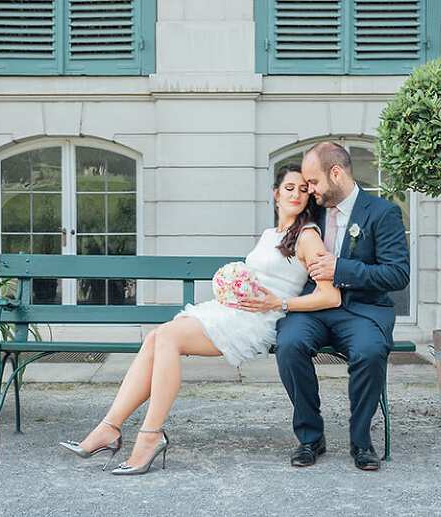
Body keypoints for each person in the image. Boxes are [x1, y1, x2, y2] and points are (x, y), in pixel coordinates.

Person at [59, 165, 341, 475]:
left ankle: (149, 436)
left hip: (256, 321)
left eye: (303, 190)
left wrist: (280, 302)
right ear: (275, 194)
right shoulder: (270, 235)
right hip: (233, 312)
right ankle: (110, 427)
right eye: (289, 188)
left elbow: (330, 296)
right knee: (157, 337)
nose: (297, 195)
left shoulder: (308, 235)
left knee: (167, 339)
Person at [274, 141, 410, 471]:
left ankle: (361, 441)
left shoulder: (382, 212)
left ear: (336, 174)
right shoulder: (313, 210)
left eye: (314, 182)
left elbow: (398, 273)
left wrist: (342, 269)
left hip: (363, 309)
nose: (309, 190)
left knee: (369, 352)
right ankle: (310, 437)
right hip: (317, 306)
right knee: (288, 344)